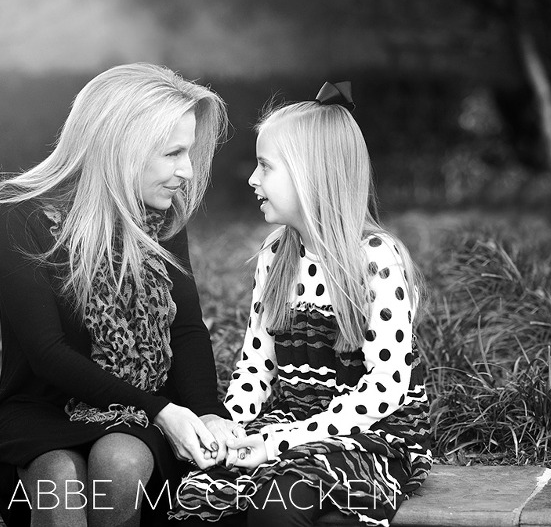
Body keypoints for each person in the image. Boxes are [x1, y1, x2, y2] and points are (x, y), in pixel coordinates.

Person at [0, 63, 236, 527]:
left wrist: (208, 414)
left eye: (189, 152)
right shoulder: (22, 213)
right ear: (123, 148)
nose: (187, 171)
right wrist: (163, 412)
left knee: (120, 463)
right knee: (58, 477)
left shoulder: (162, 214)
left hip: (139, 414)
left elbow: (187, 328)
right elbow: (46, 352)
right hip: (43, 409)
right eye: (174, 153)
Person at [172, 82, 432, 527]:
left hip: (371, 434)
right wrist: (232, 429)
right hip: (295, 422)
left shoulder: (374, 260)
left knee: (281, 499)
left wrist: (279, 443)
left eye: (265, 166)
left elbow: (384, 390)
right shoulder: (277, 256)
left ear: (313, 174)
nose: (252, 179)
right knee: (200, 493)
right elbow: (256, 366)